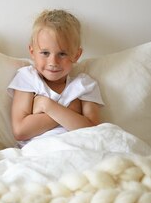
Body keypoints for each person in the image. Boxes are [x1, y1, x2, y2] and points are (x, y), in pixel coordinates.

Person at [9, 9, 103, 146]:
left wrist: (46, 105)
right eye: (45, 53)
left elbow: (94, 132)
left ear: (76, 55)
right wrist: (71, 111)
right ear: (32, 52)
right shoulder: (27, 78)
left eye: (62, 54)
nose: (53, 62)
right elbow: (20, 131)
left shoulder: (84, 84)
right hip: (40, 151)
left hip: (79, 147)